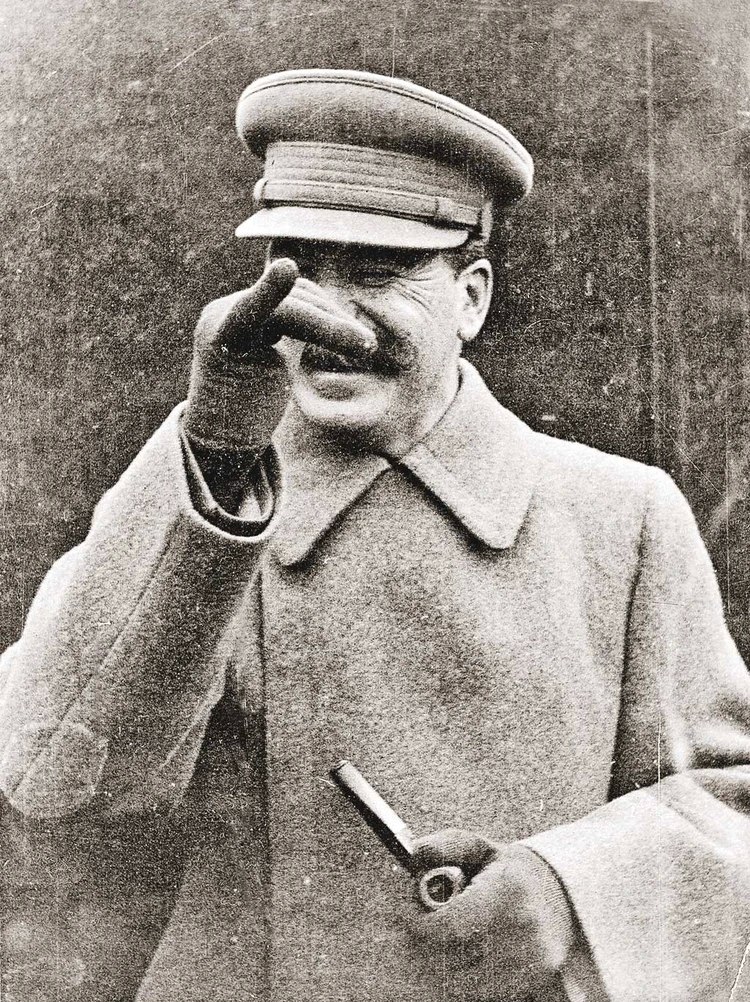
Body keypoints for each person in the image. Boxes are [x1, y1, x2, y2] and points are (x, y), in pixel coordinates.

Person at [1, 68, 749, 1002]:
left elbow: (732, 804)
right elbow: (47, 782)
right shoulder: (200, 507)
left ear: (471, 298)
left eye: (376, 273)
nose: (327, 318)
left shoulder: (621, 518)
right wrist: (216, 448)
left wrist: (569, 890)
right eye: (298, 271)